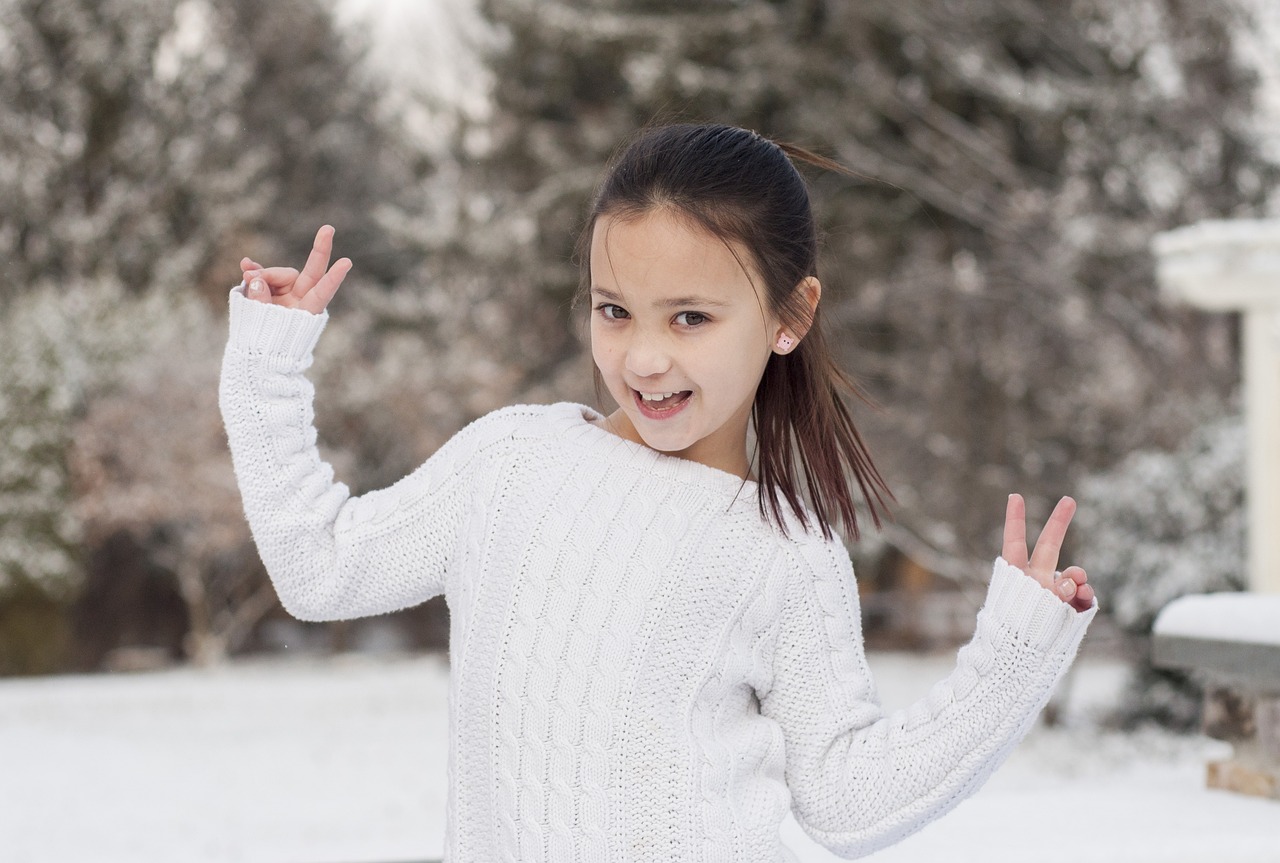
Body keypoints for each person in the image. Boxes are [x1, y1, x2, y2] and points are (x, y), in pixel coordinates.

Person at [219, 123, 1096, 862]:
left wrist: (1014, 655)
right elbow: (320, 568)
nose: (643, 357)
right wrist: (267, 367)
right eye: (614, 310)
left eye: (690, 317)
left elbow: (844, 798)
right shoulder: (513, 461)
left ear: (789, 316)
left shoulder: (784, 552)